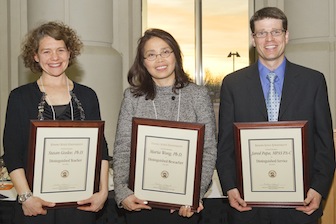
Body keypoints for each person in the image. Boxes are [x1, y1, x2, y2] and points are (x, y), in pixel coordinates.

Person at [216, 6, 335, 224]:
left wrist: (318, 189)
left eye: (276, 31)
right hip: (247, 205)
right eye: (261, 33)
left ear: (286, 36)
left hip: (301, 204)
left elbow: (325, 145)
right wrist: (230, 187)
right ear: (253, 39)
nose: (269, 38)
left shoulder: (313, 82)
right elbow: (225, 145)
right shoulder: (232, 84)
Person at [3, 21, 109, 224]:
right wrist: (26, 197)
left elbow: (101, 148)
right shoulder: (19, 97)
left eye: (61, 50)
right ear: (35, 56)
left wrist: (103, 192)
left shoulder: (88, 96)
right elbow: (12, 152)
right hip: (36, 204)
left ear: (70, 53)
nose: (55, 58)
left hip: (81, 204)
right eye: (46, 51)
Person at [112, 28, 217, 224]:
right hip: (139, 202)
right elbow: (123, 147)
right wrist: (122, 192)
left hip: (183, 207)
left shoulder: (198, 95)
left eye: (165, 52)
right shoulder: (132, 97)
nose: (159, 60)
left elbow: (208, 150)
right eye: (151, 55)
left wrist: (194, 195)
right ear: (143, 62)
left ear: (175, 55)